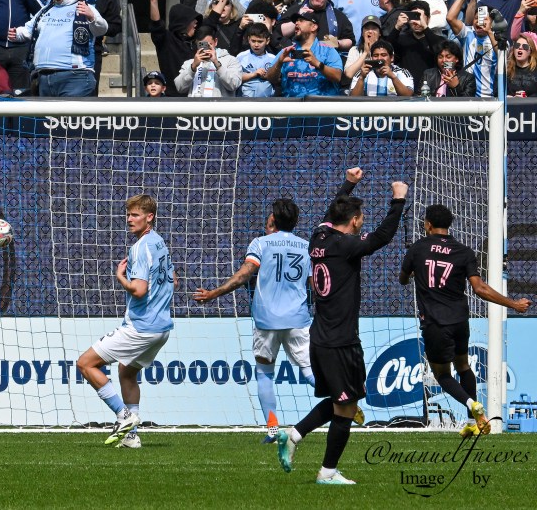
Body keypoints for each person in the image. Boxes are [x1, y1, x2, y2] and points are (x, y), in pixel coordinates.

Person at [278, 168, 408, 485]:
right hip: (340, 342)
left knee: (344, 401)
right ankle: (327, 472)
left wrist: (348, 184)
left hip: (321, 337)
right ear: (354, 221)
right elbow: (383, 236)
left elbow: (332, 213)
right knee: (346, 407)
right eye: (361, 216)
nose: (363, 221)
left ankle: (294, 436)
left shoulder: (318, 237)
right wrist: (398, 200)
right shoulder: (347, 245)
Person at [399, 204, 531, 437]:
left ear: (428, 224)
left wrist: (413, 272)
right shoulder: (464, 252)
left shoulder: (418, 248)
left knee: (442, 375)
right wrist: (514, 304)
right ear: (449, 225)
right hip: (460, 321)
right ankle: (472, 422)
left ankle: (472, 405)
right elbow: (479, 288)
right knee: (463, 366)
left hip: (435, 323)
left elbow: (402, 279)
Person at [194, 198, 314, 442]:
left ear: (273, 219)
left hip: (266, 321)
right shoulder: (307, 247)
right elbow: (316, 285)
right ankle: (343, 399)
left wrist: (214, 293)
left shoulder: (260, 243)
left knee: (264, 374)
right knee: (310, 371)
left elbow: (244, 274)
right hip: (298, 320)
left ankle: (272, 430)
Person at [76, 194, 175, 449]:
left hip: (141, 327)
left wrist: (120, 276)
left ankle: (123, 415)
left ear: (149, 217)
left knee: (85, 364)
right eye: (128, 215)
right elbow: (173, 279)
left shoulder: (140, 248)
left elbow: (139, 290)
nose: (130, 219)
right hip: (161, 328)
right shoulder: (159, 243)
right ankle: (132, 437)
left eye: (135, 215)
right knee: (126, 371)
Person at [12, 0, 107, 97]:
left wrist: (92, 17)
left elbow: (102, 29)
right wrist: (16, 33)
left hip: (75, 77)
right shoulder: (46, 10)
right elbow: (28, 30)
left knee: (69, 111)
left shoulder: (84, 8)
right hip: (44, 78)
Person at [266, 13, 343, 97]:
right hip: (292, 103)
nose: (296, 23)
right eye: (296, 21)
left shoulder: (327, 50)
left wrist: (318, 64)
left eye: (301, 20)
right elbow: (270, 78)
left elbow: (337, 76)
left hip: (321, 103)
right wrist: (279, 63)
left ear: (313, 27)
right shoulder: (287, 51)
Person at [147, 0, 200, 97]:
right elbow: (156, 26)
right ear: (183, 22)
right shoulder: (166, 41)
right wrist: (154, 1)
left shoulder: (196, 42)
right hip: (174, 97)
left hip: (197, 96)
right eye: (192, 20)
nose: (196, 23)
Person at [173, 25, 241, 98]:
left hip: (218, 105)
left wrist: (217, 64)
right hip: (195, 104)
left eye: (209, 45)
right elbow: (179, 87)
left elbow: (234, 85)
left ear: (215, 42)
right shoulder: (190, 63)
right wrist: (192, 67)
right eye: (201, 45)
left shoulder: (230, 60)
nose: (205, 49)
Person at [349, 39, 414, 97]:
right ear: (371, 58)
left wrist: (393, 77)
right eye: (375, 55)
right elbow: (353, 98)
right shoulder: (362, 73)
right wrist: (361, 78)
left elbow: (408, 95)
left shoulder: (402, 72)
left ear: (391, 58)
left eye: (383, 55)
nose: (379, 58)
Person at [234, 23, 277, 97]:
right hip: (245, 100)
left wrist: (268, 76)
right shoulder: (241, 57)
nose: (256, 45)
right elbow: (235, 78)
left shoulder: (273, 58)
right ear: (248, 40)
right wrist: (254, 74)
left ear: (267, 41)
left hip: (266, 101)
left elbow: (278, 80)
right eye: (253, 41)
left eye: (260, 41)